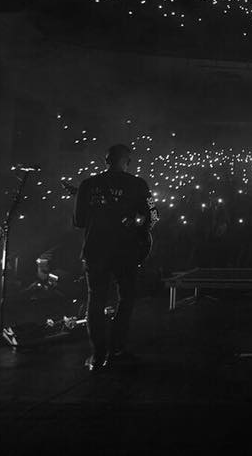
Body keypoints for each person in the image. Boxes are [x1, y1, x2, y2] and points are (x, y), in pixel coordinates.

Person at [74, 144, 157, 371]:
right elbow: (154, 215)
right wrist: (138, 224)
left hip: (96, 250)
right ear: (127, 161)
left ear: (106, 160)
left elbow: (79, 220)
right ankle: (117, 349)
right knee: (126, 298)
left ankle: (98, 355)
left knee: (96, 300)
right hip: (126, 251)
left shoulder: (88, 185)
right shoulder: (139, 184)